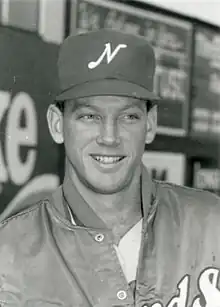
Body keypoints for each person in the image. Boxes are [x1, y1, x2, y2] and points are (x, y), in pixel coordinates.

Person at [0, 29, 220, 307]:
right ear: (57, 124)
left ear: (149, 124)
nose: (109, 136)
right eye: (89, 116)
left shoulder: (212, 224)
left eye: (128, 116)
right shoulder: (8, 253)